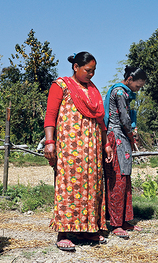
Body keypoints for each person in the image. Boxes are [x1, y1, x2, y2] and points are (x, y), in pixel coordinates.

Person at [44, 52, 113, 251]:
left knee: (91, 187)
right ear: (76, 67)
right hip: (69, 148)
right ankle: (64, 233)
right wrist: (50, 142)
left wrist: (106, 144)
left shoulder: (93, 90)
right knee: (69, 187)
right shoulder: (61, 86)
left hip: (92, 148)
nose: (91, 74)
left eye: (93, 71)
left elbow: (100, 120)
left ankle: (87, 230)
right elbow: (50, 115)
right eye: (87, 70)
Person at [103, 66, 146, 238]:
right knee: (117, 178)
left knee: (125, 179)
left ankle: (124, 220)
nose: (138, 89)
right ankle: (115, 223)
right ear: (129, 79)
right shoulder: (120, 92)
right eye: (138, 85)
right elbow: (125, 119)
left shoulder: (125, 93)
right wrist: (131, 134)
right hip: (116, 137)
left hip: (123, 138)